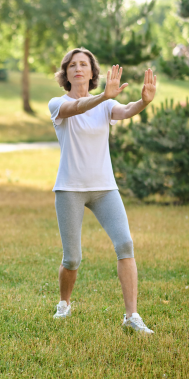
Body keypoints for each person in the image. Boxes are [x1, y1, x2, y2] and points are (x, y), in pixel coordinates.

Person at [48, 48, 156, 334]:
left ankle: (131, 316)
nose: (78, 68)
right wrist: (104, 97)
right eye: (72, 65)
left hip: (105, 188)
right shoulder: (57, 103)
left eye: (84, 64)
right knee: (72, 258)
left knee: (125, 244)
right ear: (66, 73)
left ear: (93, 73)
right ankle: (64, 303)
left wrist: (143, 102)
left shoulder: (106, 105)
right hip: (70, 188)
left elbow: (125, 110)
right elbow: (77, 108)